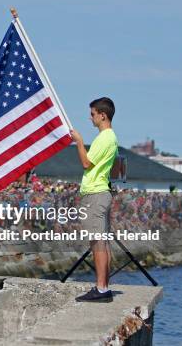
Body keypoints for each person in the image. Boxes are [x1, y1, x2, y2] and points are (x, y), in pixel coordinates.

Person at [71, 97, 118, 303]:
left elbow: (86, 162)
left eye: (92, 114)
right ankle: (103, 286)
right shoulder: (110, 137)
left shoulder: (104, 137)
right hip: (101, 193)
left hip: (95, 195)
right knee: (103, 242)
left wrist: (79, 142)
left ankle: (101, 289)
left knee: (97, 243)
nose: (90, 118)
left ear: (102, 115)